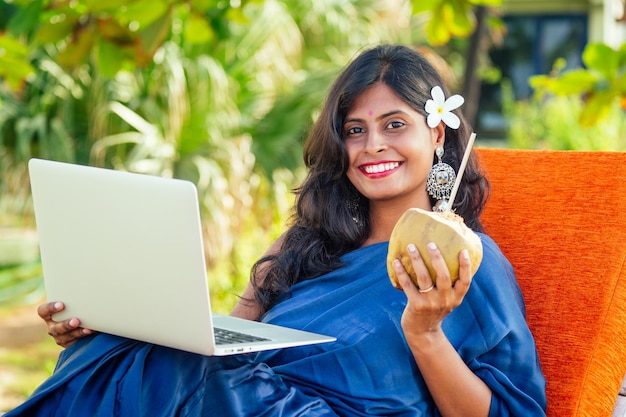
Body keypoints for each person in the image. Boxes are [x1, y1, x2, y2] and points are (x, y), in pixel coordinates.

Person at [6, 44, 546, 417]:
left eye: (394, 125)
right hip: (246, 399)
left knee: (184, 372)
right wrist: (111, 326)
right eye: (355, 131)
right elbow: (221, 344)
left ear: (437, 131)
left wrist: (426, 334)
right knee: (105, 353)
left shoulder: (468, 261)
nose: (372, 145)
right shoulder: (307, 243)